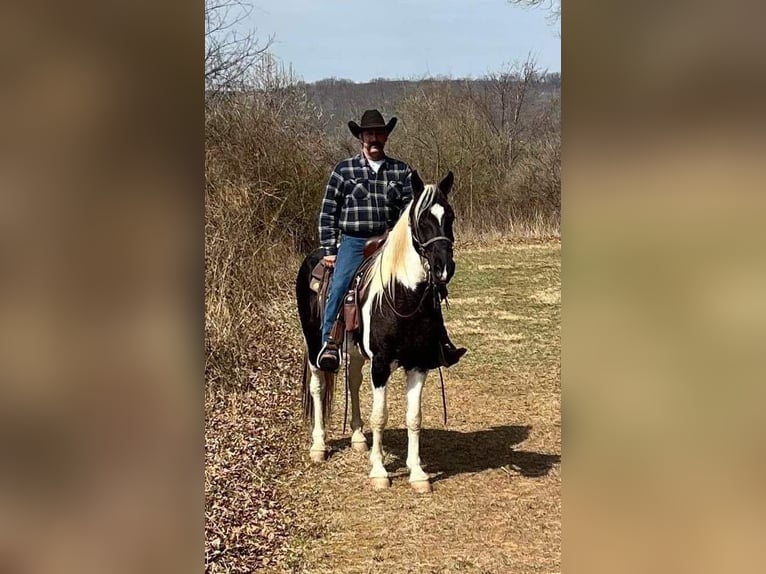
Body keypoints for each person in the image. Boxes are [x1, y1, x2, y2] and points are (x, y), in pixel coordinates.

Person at [316, 109, 465, 372]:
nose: (374, 138)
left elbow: (414, 213)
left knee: (428, 284)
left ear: (386, 137)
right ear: (361, 137)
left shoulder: (402, 171)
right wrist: (329, 249)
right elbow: (328, 212)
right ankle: (330, 342)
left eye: (379, 133)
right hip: (354, 242)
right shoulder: (344, 170)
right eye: (369, 134)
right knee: (340, 284)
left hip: (390, 241)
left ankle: (440, 341)